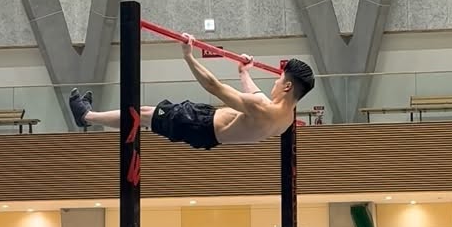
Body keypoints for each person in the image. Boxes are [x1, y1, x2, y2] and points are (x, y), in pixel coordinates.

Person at [69, 40, 315, 150]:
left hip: (198, 124)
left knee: (142, 113)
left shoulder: (265, 109)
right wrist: (243, 72)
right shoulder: (285, 118)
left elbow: (213, 85)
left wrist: (188, 55)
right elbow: (257, 97)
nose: (274, 80)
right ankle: (89, 115)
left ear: (287, 87)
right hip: (206, 128)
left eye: (279, 79)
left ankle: (87, 116)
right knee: (143, 114)